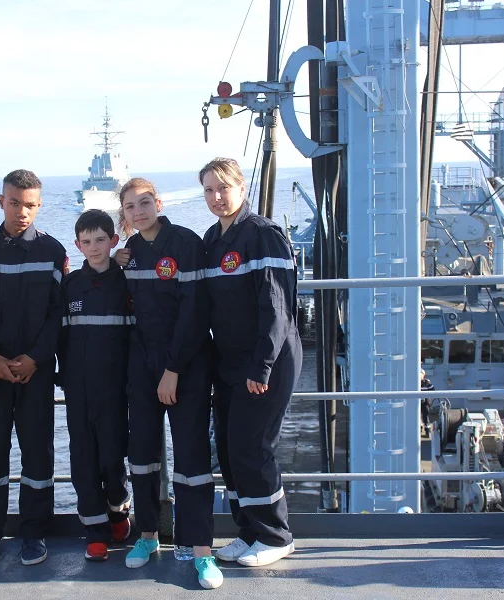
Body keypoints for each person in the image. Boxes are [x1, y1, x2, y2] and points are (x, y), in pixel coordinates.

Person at [114, 178, 223, 589]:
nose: (139, 211)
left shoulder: (185, 243)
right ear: (123, 214)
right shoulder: (131, 254)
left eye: (145, 203)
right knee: (141, 455)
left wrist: (174, 368)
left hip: (187, 366)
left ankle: (201, 552)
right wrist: (117, 258)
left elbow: (194, 312)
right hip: (143, 368)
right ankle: (146, 537)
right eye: (130, 207)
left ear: (158, 203)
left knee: (192, 459)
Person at [199, 157, 301, 567]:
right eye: (208, 189)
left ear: (242, 187)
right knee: (227, 447)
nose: (216, 197)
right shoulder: (212, 238)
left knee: (252, 446)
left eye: (223, 187)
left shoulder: (263, 236)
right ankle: (249, 530)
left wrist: (261, 367)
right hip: (228, 361)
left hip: (265, 361)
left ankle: (276, 535)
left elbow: (277, 307)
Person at [0, 169, 67, 567]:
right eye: (14, 203)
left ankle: (34, 532)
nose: (21, 212)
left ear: (39, 205)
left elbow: (58, 315)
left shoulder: (53, 252)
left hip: (36, 373)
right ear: (1, 201)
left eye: (29, 205)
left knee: (37, 454)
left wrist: (35, 358)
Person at [57, 209, 133, 562]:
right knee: (83, 458)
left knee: (112, 457)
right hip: (79, 389)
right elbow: (60, 338)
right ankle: (95, 530)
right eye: (86, 242)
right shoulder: (70, 286)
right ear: (77, 245)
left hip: (117, 389)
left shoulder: (127, 282)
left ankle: (119, 512)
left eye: (100, 240)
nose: (94, 247)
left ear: (114, 240)